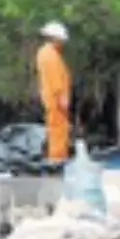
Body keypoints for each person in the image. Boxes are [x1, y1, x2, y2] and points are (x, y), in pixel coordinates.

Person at [35, 22, 72, 164]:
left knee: (58, 131)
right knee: (58, 132)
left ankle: (58, 158)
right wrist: (62, 98)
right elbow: (55, 80)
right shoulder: (50, 55)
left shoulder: (46, 53)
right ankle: (57, 160)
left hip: (52, 99)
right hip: (55, 100)